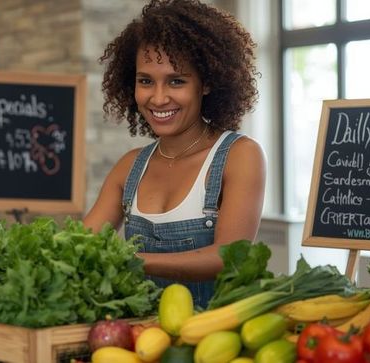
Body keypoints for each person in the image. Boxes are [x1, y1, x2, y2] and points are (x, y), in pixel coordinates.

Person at [83, 0, 266, 308]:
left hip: (211, 342)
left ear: (206, 83)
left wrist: (131, 259)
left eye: (176, 81)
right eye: (145, 81)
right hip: (138, 342)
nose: (158, 97)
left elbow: (228, 256)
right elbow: (84, 244)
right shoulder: (130, 166)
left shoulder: (239, 156)